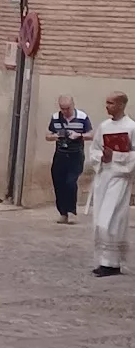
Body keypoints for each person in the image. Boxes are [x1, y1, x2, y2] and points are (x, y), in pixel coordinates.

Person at [89, 92, 135, 276]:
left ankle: (112, 262)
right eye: (106, 102)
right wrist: (102, 157)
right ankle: (105, 262)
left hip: (120, 178)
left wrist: (115, 156)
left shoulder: (131, 127)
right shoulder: (104, 126)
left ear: (122, 105)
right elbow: (94, 150)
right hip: (104, 177)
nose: (107, 106)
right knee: (99, 221)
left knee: (110, 220)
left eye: (111, 103)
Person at [46, 95, 93, 224]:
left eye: (67, 108)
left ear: (73, 105)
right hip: (60, 155)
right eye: (62, 108)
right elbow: (48, 135)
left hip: (75, 155)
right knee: (58, 183)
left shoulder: (82, 117)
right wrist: (56, 136)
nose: (65, 111)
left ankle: (71, 211)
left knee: (70, 183)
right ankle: (63, 213)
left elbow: (91, 134)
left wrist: (79, 135)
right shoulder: (56, 117)